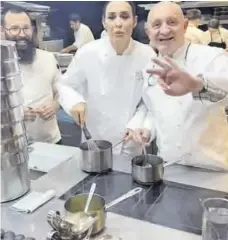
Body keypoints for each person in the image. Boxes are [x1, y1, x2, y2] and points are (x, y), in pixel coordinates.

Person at [129, 2, 228, 171]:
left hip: (213, 167)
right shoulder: (149, 69)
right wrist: (146, 128)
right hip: (169, 166)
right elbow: (155, 110)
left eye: (172, 22)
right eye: (157, 25)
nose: (165, 30)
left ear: (185, 25)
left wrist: (196, 85)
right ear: (148, 32)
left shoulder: (211, 56)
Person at [57, 1, 156, 155]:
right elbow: (65, 85)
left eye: (124, 17)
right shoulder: (87, 52)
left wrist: (138, 124)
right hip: (95, 140)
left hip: (132, 140)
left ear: (135, 21)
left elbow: (149, 101)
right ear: (104, 22)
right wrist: (75, 102)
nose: (118, 23)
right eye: (111, 17)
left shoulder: (147, 55)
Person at [2, 8, 62, 144]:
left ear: (33, 29)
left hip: (51, 141)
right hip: (12, 147)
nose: (22, 34)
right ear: (3, 30)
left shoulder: (48, 58)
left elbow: (61, 92)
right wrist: (15, 114)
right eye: (14, 29)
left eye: (26, 28)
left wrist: (54, 106)